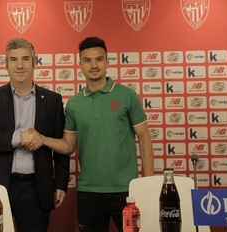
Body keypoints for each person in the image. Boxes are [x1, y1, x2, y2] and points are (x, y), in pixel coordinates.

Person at [33, 37, 154, 232]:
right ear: (80, 64)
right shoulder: (74, 103)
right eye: (87, 60)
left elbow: (144, 138)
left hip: (127, 190)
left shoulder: (127, 95)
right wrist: (42, 138)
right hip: (88, 191)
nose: (94, 65)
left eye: (99, 59)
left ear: (107, 62)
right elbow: (68, 145)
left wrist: (148, 182)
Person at [0, 38, 70, 232]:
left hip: (36, 188)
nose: (20, 65)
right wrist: (18, 137)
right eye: (13, 59)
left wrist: (60, 184)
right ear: (5, 64)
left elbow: (61, 146)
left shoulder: (52, 100)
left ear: (34, 62)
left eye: (25, 59)